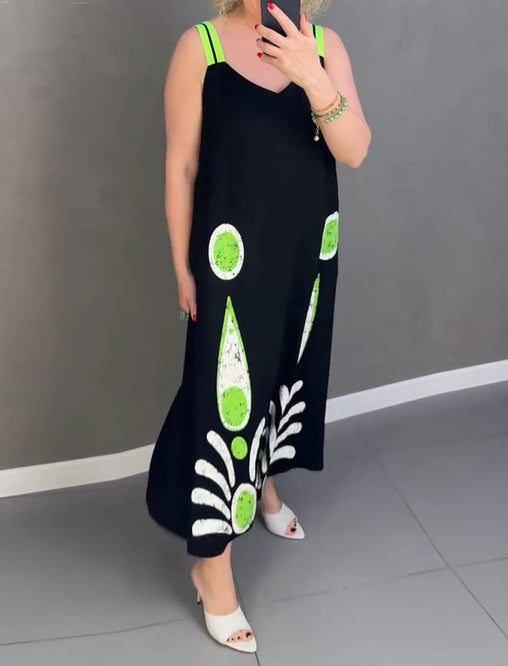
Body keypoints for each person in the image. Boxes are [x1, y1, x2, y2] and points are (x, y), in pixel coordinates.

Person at [145, 0, 371, 653]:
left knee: (284, 371)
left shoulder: (325, 46)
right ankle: (210, 564)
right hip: (230, 259)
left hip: (307, 252)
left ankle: (265, 486)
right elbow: (181, 166)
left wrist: (311, 75)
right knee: (225, 398)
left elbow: (354, 151)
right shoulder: (201, 48)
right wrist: (182, 267)